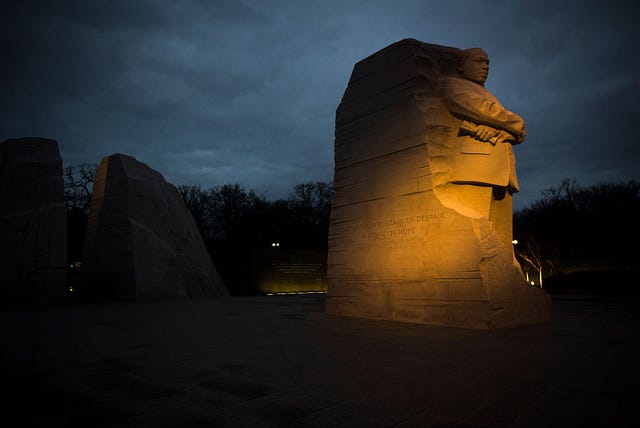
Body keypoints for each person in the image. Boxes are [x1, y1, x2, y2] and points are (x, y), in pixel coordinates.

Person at [440, 48, 526, 248]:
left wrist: (502, 132)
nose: (485, 67)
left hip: (503, 172)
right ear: (460, 66)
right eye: (479, 61)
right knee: (476, 240)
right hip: (475, 168)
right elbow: (488, 112)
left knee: (502, 243)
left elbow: (515, 132)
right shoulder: (451, 84)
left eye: (487, 63)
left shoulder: (487, 92)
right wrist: (517, 124)